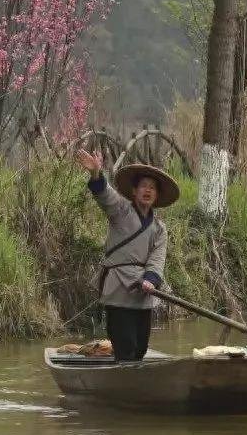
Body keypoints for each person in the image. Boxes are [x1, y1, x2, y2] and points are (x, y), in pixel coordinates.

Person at [74, 148, 179, 361]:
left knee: (140, 348)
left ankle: (132, 371)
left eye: (152, 188)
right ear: (134, 191)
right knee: (126, 346)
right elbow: (105, 195)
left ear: (157, 195)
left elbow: (157, 258)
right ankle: (123, 371)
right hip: (119, 287)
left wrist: (151, 279)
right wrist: (96, 173)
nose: (148, 190)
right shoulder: (121, 210)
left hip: (144, 290)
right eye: (143, 186)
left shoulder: (159, 228)